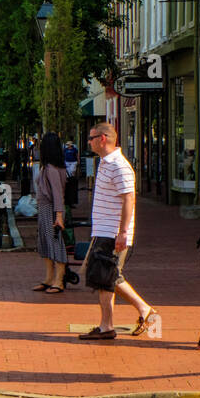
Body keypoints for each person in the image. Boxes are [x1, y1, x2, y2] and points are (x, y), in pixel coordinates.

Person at [78, 122, 158, 340]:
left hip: (112, 232)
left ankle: (138, 312)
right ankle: (109, 324)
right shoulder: (105, 162)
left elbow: (129, 198)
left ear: (103, 138)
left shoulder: (119, 165)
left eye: (91, 138)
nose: (89, 142)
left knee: (108, 276)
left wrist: (123, 232)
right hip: (104, 230)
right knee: (106, 277)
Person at [32, 132, 68, 294]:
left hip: (51, 209)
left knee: (55, 242)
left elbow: (58, 193)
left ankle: (59, 280)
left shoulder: (52, 169)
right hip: (45, 208)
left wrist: (59, 215)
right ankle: (49, 278)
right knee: (45, 242)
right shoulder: (49, 167)